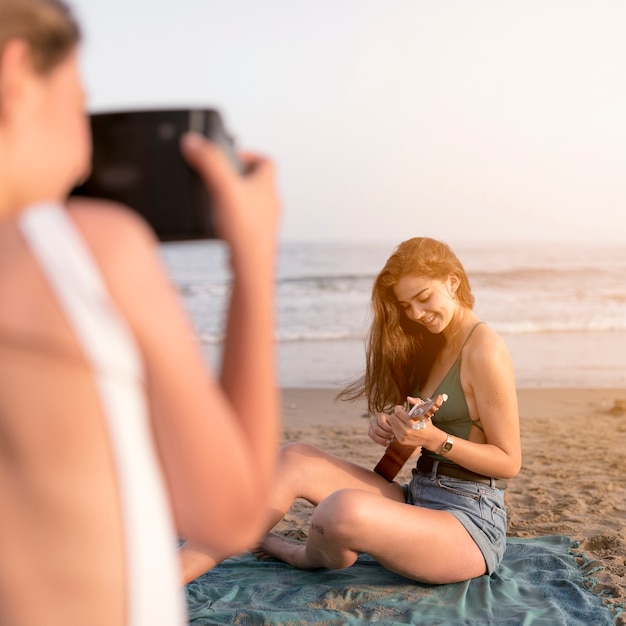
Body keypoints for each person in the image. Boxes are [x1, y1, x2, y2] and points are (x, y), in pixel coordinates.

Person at [0, 1, 281, 624]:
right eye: (77, 104)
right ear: (16, 74)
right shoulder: (86, 250)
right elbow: (230, 513)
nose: (83, 149)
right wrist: (254, 258)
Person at [248, 236, 521, 584]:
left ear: (453, 282)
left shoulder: (485, 350)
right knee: (296, 458)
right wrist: (395, 429)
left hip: (468, 522)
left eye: (423, 298)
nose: (416, 314)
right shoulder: (433, 345)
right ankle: (230, 539)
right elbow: (414, 442)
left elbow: (509, 461)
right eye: (406, 306)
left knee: (340, 510)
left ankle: (296, 555)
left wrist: (437, 439)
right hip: (418, 495)